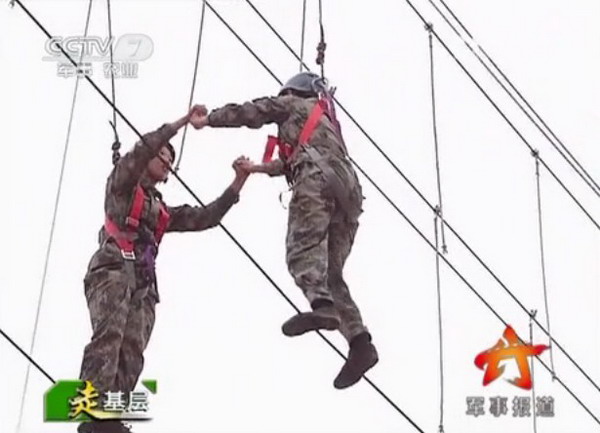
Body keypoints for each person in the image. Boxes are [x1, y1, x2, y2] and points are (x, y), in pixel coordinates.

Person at [190, 72, 378, 390]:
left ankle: (323, 308)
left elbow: (252, 111)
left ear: (292, 91)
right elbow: (290, 162)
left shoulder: (292, 104)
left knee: (301, 252)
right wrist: (257, 168)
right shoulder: (325, 122)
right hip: (348, 191)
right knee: (331, 275)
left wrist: (208, 120)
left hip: (317, 179)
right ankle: (361, 344)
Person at [78, 106, 252, 433]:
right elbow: (143, 147)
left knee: (132, 351)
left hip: (143, 285)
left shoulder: (161, 212)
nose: (166, 160)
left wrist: (238, 182)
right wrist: (182, 122)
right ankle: (91, 413)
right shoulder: (122, 184)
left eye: (170, 158)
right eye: (161, 154)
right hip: (112, 269)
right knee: (109, 337)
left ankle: (109, 418)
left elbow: (205, 217)